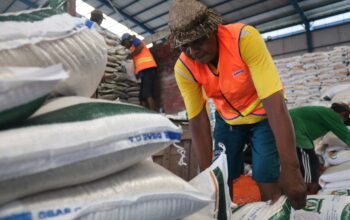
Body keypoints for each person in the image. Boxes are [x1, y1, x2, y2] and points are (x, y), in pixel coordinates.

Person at [168, 0, 306, 209]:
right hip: (228, 120)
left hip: (264, 116)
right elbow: (197, 119)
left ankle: (274, 210)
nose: (192, 51)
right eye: (184, 46)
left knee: (266, 172)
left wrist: (292, 168)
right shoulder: (184, 68)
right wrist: (208, 178)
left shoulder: (243, 39)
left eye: (197, 42)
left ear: (211, 31)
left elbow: (274, 102)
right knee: (222, 177)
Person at [289, 103, 350, 194]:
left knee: (309, 161)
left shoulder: (326, 112)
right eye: (344, 120)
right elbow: (345, 135)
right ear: (342, 113)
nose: (342, 122)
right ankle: (309, 190)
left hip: (297, 130)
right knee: (310, 161)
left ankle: (306, 185)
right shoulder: (332, 115)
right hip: (296, 130)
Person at [121, 33, 158, 111]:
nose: (125, 46)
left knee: (147, 93)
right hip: (144, 72)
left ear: (128, 40)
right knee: (141, 96)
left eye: (124, 43)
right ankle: (143, 114)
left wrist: (131, 55)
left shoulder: (134, 40)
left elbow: (140, 46)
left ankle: (154, 114)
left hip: (149, 68)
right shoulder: (133, 49)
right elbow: (137, 63)